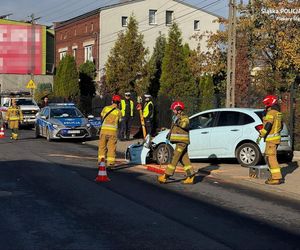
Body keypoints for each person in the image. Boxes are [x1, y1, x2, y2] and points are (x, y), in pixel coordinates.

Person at [158, 101, 196, 184]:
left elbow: (185, 125)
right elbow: (174, 128)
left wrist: (178, 121)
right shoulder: (176, 117)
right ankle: (191, 176)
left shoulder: (184, 117)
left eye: (174, 110)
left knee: (174, 158)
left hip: (182, 142)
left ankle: (166, 176)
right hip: (180, 142)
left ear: (178, 109)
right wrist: (169, 134)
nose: (173, 111)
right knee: (184, 159)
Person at [257, 95, 284, 185]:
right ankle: (275, 176)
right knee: (269, 157)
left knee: (271, 158)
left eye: (266, 105)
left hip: (271, 140)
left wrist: (262, 133)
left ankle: (276, 178)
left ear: (269, 104)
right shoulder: (278, 113)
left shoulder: (271, 113)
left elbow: (268, 124)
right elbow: (281, 125)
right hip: (275, 139)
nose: (265, 106)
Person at [98, 94, 122, 168]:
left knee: (102, 147)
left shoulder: (106, 108)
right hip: (113, 132)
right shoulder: (119, 112)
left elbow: (102, 116)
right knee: (111, 148)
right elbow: (120, 121)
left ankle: (101, 163)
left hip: (104, 131)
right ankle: (110, 164)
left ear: (112, 101)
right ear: (119, 103)